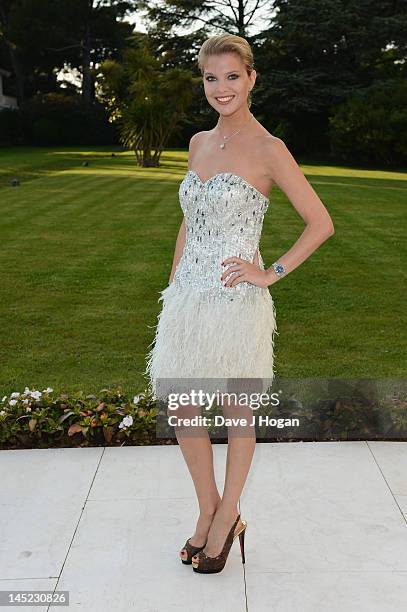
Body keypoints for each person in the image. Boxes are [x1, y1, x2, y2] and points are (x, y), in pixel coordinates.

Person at [144, 33, 335, 574]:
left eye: (232, 77)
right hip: (186, 299)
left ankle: (229, 515)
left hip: (235, 300)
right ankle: (207, 510)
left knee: (235, 410)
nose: (221, 88)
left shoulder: (270, 149)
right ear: (203, 83)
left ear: (251, 79)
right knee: (183, 407)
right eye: (211, 78)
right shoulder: (198, 143)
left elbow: (320, 224)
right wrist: (173, 282)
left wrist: (268, 273)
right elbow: (190, 218)